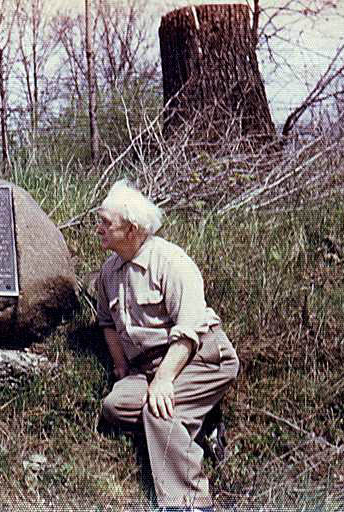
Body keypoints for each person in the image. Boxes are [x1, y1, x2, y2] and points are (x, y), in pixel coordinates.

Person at [95, 180, 240, 511]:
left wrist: (163, 380)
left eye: (106, 222)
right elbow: (107, 323)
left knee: (159, 413)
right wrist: (121, 368)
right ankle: (201, 422)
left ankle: (187, 501)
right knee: (115, 407)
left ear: (131, 229)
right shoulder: (109, 270)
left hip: (200, 356)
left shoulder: (171, 262)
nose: (98, 229)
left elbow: (188, 330)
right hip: (147, 366)